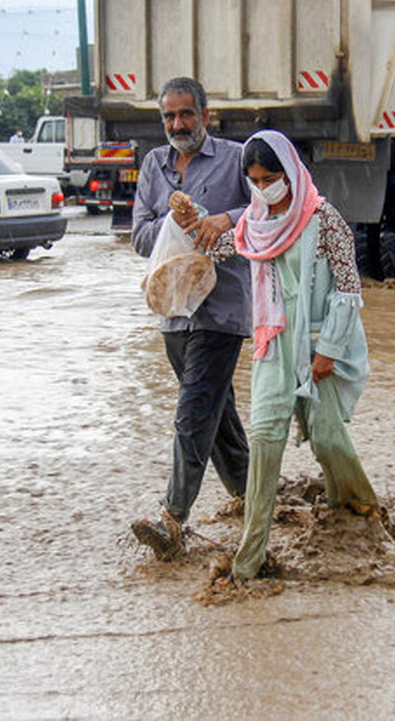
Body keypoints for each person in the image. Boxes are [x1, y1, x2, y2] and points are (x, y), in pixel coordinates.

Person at [175, 129, 378, 583]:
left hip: (316, 342)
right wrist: (195, 221)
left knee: (326, 438)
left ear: (289, 172)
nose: (263, 186)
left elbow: (348, 287)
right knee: (266, 441)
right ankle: (249, 560)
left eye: (269, 177)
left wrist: (327, 350)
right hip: (271, 345)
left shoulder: (324, 220)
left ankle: (360, 507)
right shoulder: (255, 220)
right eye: (254, 179)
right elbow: (222, 246)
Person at [129, 76, 252, 560]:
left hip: (222, 307)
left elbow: (269, 207)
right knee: (215, 413)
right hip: (173, 310)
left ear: (205, 114)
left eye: (186, 114)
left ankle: (171, 519)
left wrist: (226, 218)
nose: (177, 124)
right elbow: (139, 237)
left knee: (191, 413)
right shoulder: (153, 166)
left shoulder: (236, 159)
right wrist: (171, 221)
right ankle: (256, 495)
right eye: (169, 116)